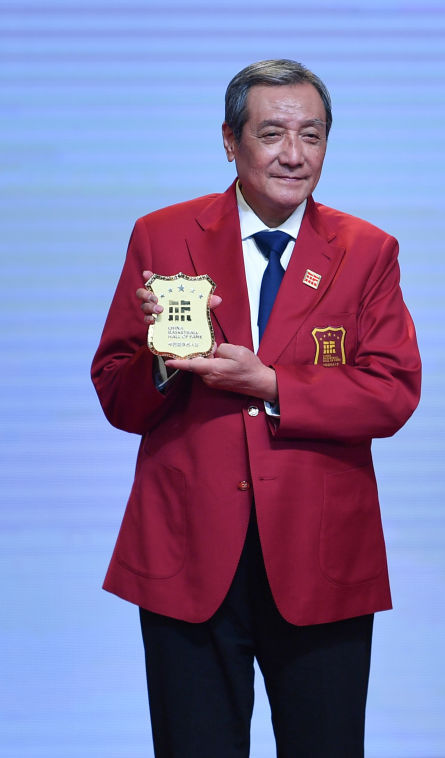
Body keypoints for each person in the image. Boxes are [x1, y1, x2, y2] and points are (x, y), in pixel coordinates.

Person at [91, 59, 421, 757]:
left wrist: (272, 384)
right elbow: (117, 393)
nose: (294, 155)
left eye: (313, 136)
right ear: (229, 140)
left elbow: (393, 391)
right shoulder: (163, 235)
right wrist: (161, 359)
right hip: (188, 550)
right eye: (272, 134)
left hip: (320, 551)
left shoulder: (367, 251)